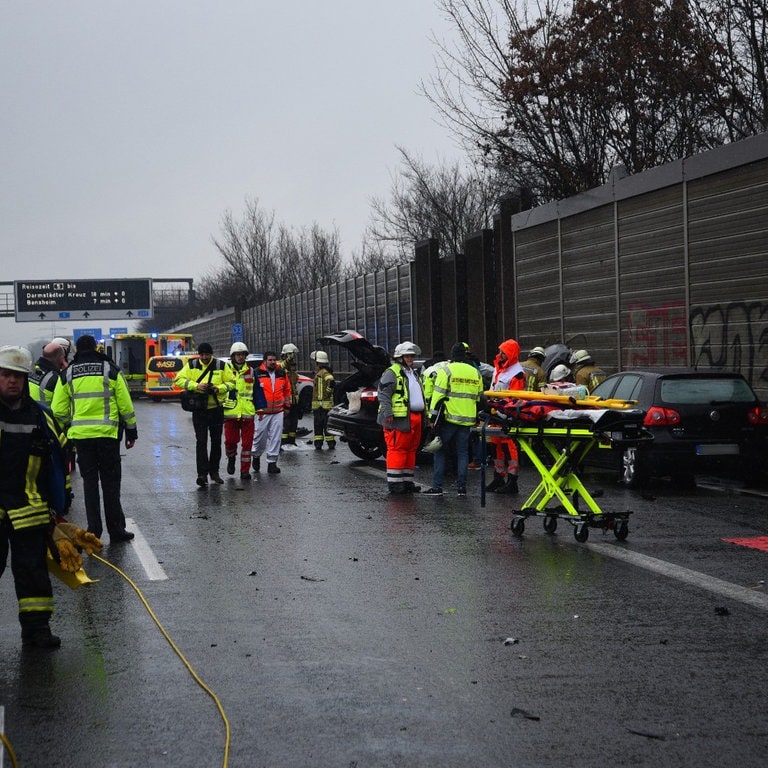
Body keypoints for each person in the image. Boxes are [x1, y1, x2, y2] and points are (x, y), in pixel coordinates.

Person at [0, 345, 86, 649]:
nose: (13, 381)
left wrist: (59, 509)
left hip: (31, 510)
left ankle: (37, 630)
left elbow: (59, 460)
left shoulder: (41, 417)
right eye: (6, 375)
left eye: (18, 376)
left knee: (33, 574)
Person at [51, 335, 138, 542]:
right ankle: (116, 530)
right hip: (108, 437)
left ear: (76, 351)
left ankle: (93, 530)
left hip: (82, 439)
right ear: (95, 348)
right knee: (110, 483)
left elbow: (58, 410)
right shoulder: (110, 369)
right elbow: (125, 405)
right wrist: (131, 431)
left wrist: (64, 430)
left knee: (90, 484)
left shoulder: (68, 373)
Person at [423, 343, 483, 497]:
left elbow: (438, 396)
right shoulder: (475, 372)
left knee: (440, 450)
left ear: (452, 355)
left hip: (449, 419)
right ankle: (461, 488)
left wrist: (432, 417)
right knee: (462, 453)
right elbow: (479, 397)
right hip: (468, 419)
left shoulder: (446, 370)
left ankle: (437, 487)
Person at [174, 342, 234, 487]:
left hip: (216, 409)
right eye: (202, 355)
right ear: (199, 354)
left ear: (211, 354)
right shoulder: (192, 365)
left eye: (207, 354)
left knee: (216, 443)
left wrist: (218, 388)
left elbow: (232, 382)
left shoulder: (221, 365)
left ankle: (214, 472)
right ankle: (202, 474)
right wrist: (196, 386)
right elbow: (178, 380)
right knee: (201, 442)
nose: (205, 357)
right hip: (199, 410)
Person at [377, 341, 425, 495]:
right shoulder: (392, 372)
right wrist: (388, 413)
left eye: (412, 356)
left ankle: (406, 482)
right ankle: (396, 484)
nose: (411, 358)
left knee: (410, 450)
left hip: (414, 418)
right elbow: (383, 394)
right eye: (408, 356)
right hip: (398, 418)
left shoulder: (413, 373)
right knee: (397, 449)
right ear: (400, 357)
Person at [485, 338, 526, 494]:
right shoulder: (499, 368)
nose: (500, 354)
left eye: (503, 352)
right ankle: (498, 477)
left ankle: (512, 480)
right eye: (500, 351)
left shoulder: (517, 374)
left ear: (511, 354)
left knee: (510, 449)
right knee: (496, 447)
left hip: (508, 416)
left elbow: (515, 397)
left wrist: (504, 410)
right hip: (497, 413)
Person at [224, 342, 265, 480]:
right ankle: (231, 457)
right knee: (230, 441)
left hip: (247, 413)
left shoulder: (252, 372)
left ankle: (244, 471)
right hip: (231, 413)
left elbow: (257, 391)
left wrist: (260, 409)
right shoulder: (226, 371)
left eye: (242, 354)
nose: (240, 357)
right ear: (233, 356)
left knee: (247, 445)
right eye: (237, 354)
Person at [252, 351, 291, 474]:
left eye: (274, 360)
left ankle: (272, 463)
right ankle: (256, 455)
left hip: (278, 411)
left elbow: (287, 390)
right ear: (264, 361)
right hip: (262, 412)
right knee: (259, 437)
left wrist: (287, 406)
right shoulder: (257, 373)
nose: (273, 362)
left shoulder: (281, 373)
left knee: (275, 438)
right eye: (270, 360)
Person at [310, 350, 335, 450]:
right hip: (321, 405)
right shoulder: (320, 373)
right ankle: (327, 442)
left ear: (318, 363)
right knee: (324, 425)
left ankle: (320, 443)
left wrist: (328, 392)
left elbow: (331, 380)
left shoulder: (323, 373)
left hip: (322, 405)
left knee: (320, 425)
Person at [29, 341, 68, 406]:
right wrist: (66, 372)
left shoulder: (31, 370)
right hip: (45, 415)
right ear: (61, 358)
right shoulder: (55, 379)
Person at [279, 342, 301, 446]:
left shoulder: (292, 371)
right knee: (286, 423)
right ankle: (283, 442)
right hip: (285, 400)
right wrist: (288, 359)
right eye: (289, 355)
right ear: (284, 355)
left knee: (293, 422)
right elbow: (283, 366)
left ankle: (292, 441)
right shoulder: (280, 366)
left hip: (294, 401)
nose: (292, 359)